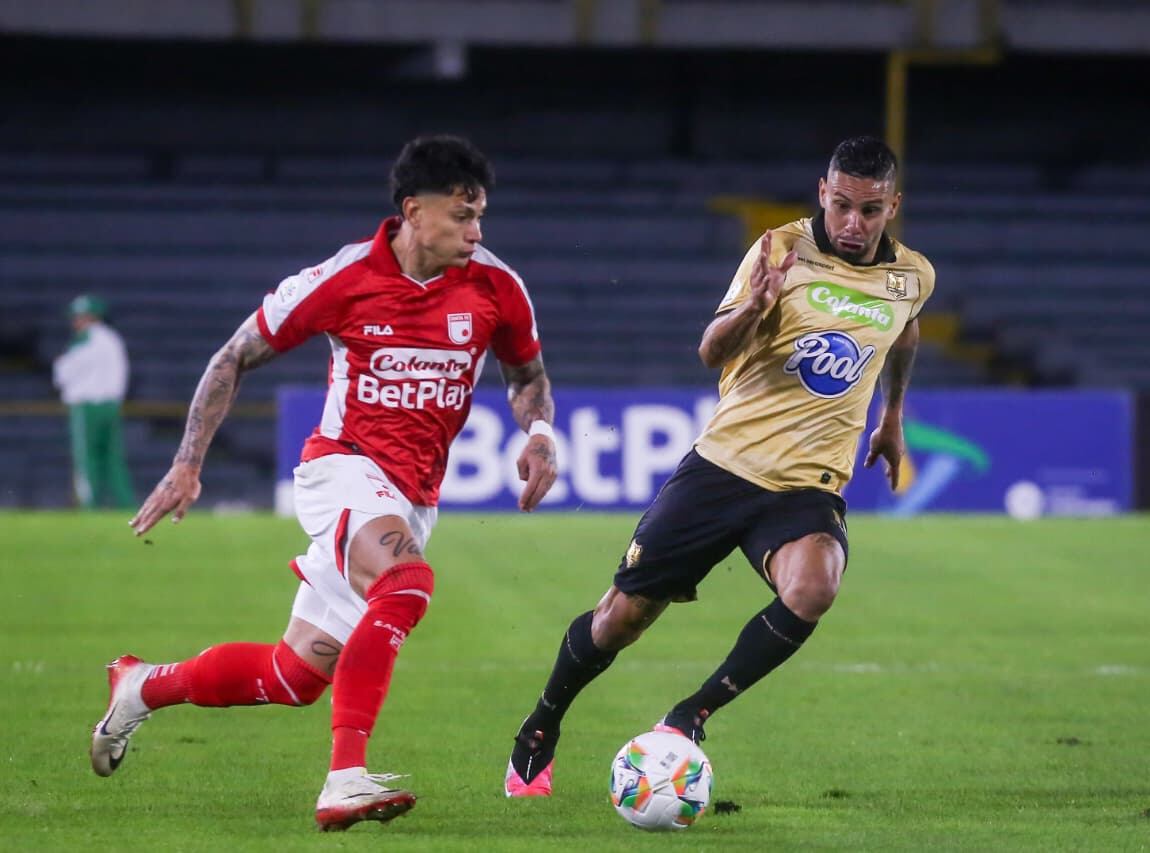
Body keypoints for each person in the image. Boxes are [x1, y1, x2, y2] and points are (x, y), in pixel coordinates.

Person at [90, 135, 559, 831]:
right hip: (342, 468)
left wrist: (540, 435)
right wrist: (188, 462)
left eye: (480, 215)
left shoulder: (497, 287)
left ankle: (142, 685)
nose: (476, 231)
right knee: (408, 583)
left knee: (293, 675)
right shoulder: (343, 278)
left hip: (411, 496)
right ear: (412, 211)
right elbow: (234, 356)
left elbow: (526, 377)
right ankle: (345, 779)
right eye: (462, 215)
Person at [503, 135, 934, 797]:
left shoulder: (912, 276)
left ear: (893, 206)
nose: (853, 223)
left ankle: (689, 716)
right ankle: (541, 723)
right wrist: (758, 307)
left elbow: (905, 331)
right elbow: (711, 350)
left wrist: (894, 414)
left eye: (870, 210)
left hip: (806, 485)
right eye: (842, 204)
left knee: (815, 585)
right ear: (823, 193)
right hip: (725, 466)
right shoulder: (779, 251)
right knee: (620, 618)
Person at [52, 294, 135, 508]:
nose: (74, 322)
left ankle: (90, 506)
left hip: (86, 406)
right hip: (111, 405)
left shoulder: (83, 340)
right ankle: (126, 505)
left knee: (86, 459)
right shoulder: (113, 338)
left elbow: (62, 372)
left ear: (87, 317)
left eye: (78, 317)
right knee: (113, 459)